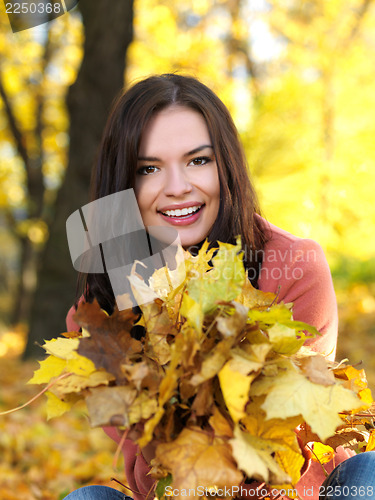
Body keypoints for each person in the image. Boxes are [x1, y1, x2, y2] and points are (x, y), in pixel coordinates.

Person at [64, 74, 375, 500]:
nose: (177, 187)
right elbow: (154, 471)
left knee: (368, 473)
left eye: (198, 161)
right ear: (124, 185)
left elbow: (286, 453)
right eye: (149, 168)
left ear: (226, 164)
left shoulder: (294, 267)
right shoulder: (100, 313)